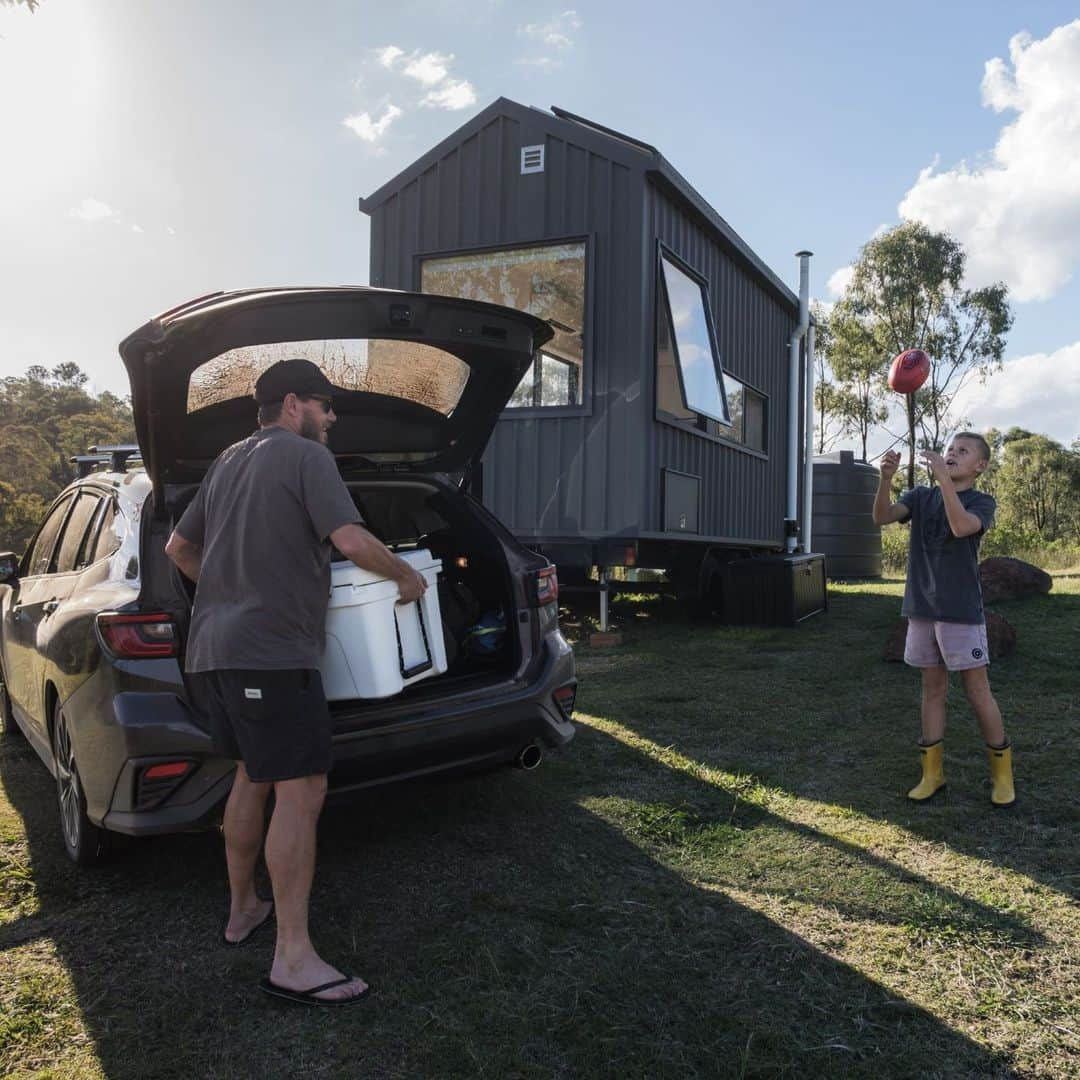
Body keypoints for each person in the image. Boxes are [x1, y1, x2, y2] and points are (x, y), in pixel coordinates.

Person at [165, 357, 428, 1006]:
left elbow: (179, 550)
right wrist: (406, 577)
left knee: (253, 775)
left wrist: (230, 592)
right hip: (272, 656)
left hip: (217, 652)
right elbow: (350, 540)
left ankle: (241, 911)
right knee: (302, 789)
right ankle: (293, 957)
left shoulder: (227, 461)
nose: (333, 417)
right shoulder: (306, 458)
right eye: (326, 404)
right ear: (292, 404)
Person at [872, 433, 1015, 808]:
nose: (952, 454)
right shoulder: (921, 496)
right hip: (921, 608)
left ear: (979, 467)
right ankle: (932, 775)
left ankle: (1002, 775)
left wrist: (941, 481)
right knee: (932, 689)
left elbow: (961, 527)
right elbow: (882, 517)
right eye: (951, 449)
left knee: (976, 691)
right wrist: (885, 478)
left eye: (962, 452)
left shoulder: (982, 501)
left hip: (961, 610)